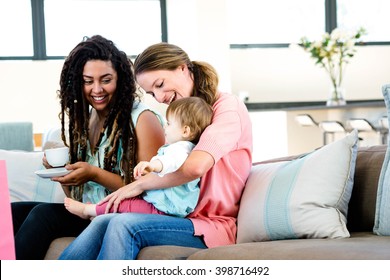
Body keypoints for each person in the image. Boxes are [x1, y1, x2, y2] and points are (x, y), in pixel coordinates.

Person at [59, 42, 253, 260]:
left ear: (182, 68)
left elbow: (195, 167)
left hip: (210, 225)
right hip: (178, 216)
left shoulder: (227, 108)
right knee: (105, 219)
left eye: (160, 84)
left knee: (124, 224)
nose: (160, 98)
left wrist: (138, 184)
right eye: (152, 93)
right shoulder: (185, 117)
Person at [11, 35, 165, 260]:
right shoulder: (87, 119)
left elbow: (150, 188)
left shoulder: (142, 119)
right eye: (88, 81)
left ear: (120, 79)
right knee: (13, 211)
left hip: (123, 215)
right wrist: (67, 174)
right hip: (88, 211)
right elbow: (78, 194)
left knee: (42, 216)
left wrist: (94, 173)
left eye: (105, 79)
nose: (97, 89)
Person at [64, 96, 213, 219]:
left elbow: (170, 162)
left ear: (185, 131)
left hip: (165, 208)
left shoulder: (182, 149)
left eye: (168, 124)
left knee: (124, 204)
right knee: (127, 202)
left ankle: (89, 210)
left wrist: (153, 166)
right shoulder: (180, 147)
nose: (165, 128)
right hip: (163, 205)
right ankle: (94, 211)